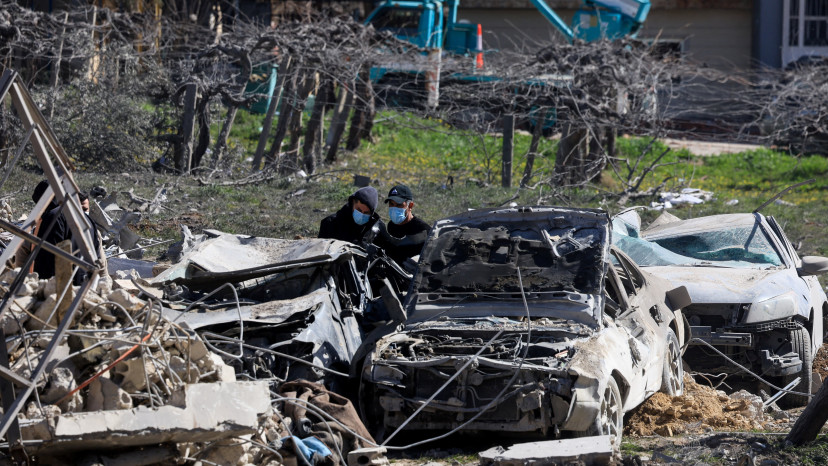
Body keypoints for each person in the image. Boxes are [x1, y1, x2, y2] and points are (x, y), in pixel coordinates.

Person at [318, 186, 384, 245]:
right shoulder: (330, 224)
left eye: (366, 213)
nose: (362, 215)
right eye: (359, 210)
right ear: (353, 203)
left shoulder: (375, 230)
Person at [383, 184, 430, 264]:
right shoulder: (391, 226)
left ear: (410, 205)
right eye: (391, 204)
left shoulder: (423, 230)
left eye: (399, 205)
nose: (394, 208)